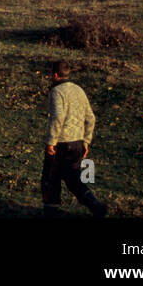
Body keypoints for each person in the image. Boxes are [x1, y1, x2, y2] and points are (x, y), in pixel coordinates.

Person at [41, 60, 107, 217]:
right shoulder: (79, 90)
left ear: (55, 74)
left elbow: (57, 117)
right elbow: (91, 118)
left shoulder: (57, 92)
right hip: (77, 143)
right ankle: (95, 206)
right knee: (73, 179)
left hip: (61, 143)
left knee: (51, 178)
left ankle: (51, 212)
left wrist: (51, 141)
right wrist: (86, 141)